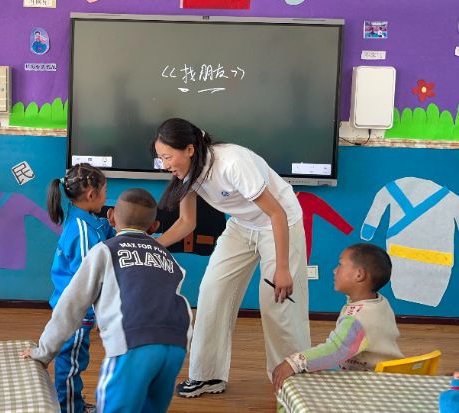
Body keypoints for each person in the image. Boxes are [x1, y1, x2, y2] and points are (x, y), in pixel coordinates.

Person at [152, 118, 310, 398]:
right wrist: (150, 245)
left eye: (167, 157)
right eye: (161, 158)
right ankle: (207, 375)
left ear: (189, 149)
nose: (165, 165)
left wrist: (283, 268)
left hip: (280, 223)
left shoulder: (231, 163)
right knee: (212, 291)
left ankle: (293, 382)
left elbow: (277, 213)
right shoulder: (187, 172)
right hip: (242, 225)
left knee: (278, 303)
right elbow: (187, 222)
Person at [23, 188, 192, 413]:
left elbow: (70, 305)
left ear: (111, 216)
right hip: (177, 344)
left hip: (132, 343)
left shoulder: (104, 251)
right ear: (154, 227)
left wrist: (43, 352)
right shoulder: (167, 258)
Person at [272, 243, 403, 390]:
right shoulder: (379, 302)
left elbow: (335, 350)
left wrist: (294, 362)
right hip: (387, 375)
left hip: (374, 383)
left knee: (297, 382)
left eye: (340, 265)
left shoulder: (357, 319)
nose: (334, 270)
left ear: (359, 275)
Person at [46, 163, 116, 413]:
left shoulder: (82, 219)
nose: (106, 198)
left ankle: (73, 403)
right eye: (105, 192)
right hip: (76, 312)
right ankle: (69, 408)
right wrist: (96, 313)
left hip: (73, 308)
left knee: (74, 359)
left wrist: (111, 226)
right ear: (92, 194)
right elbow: (88, 280)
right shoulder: (82, 231)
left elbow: (101, 232)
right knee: (71, 363)